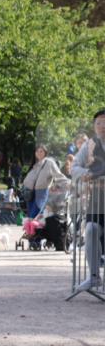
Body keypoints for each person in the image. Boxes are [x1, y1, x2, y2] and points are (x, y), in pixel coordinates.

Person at [71, 108, 105, 293]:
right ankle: (93, 276)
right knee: (91, 229)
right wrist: (87, 174)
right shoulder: (89, 145)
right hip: (98, 199)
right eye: (98, 122)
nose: (102, 126)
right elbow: (74, 167)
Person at [22, 144, 62, 219]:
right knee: (30, 216)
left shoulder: (49, 162)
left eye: (41, 151)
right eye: (37, 151)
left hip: (41, 192)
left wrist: (64, 184)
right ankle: (30, 227)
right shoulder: (35, 164)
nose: (39, 153)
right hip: (30, 193)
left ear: (45, 152)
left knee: (35, 215)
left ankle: (33, 226)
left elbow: (59, 175)